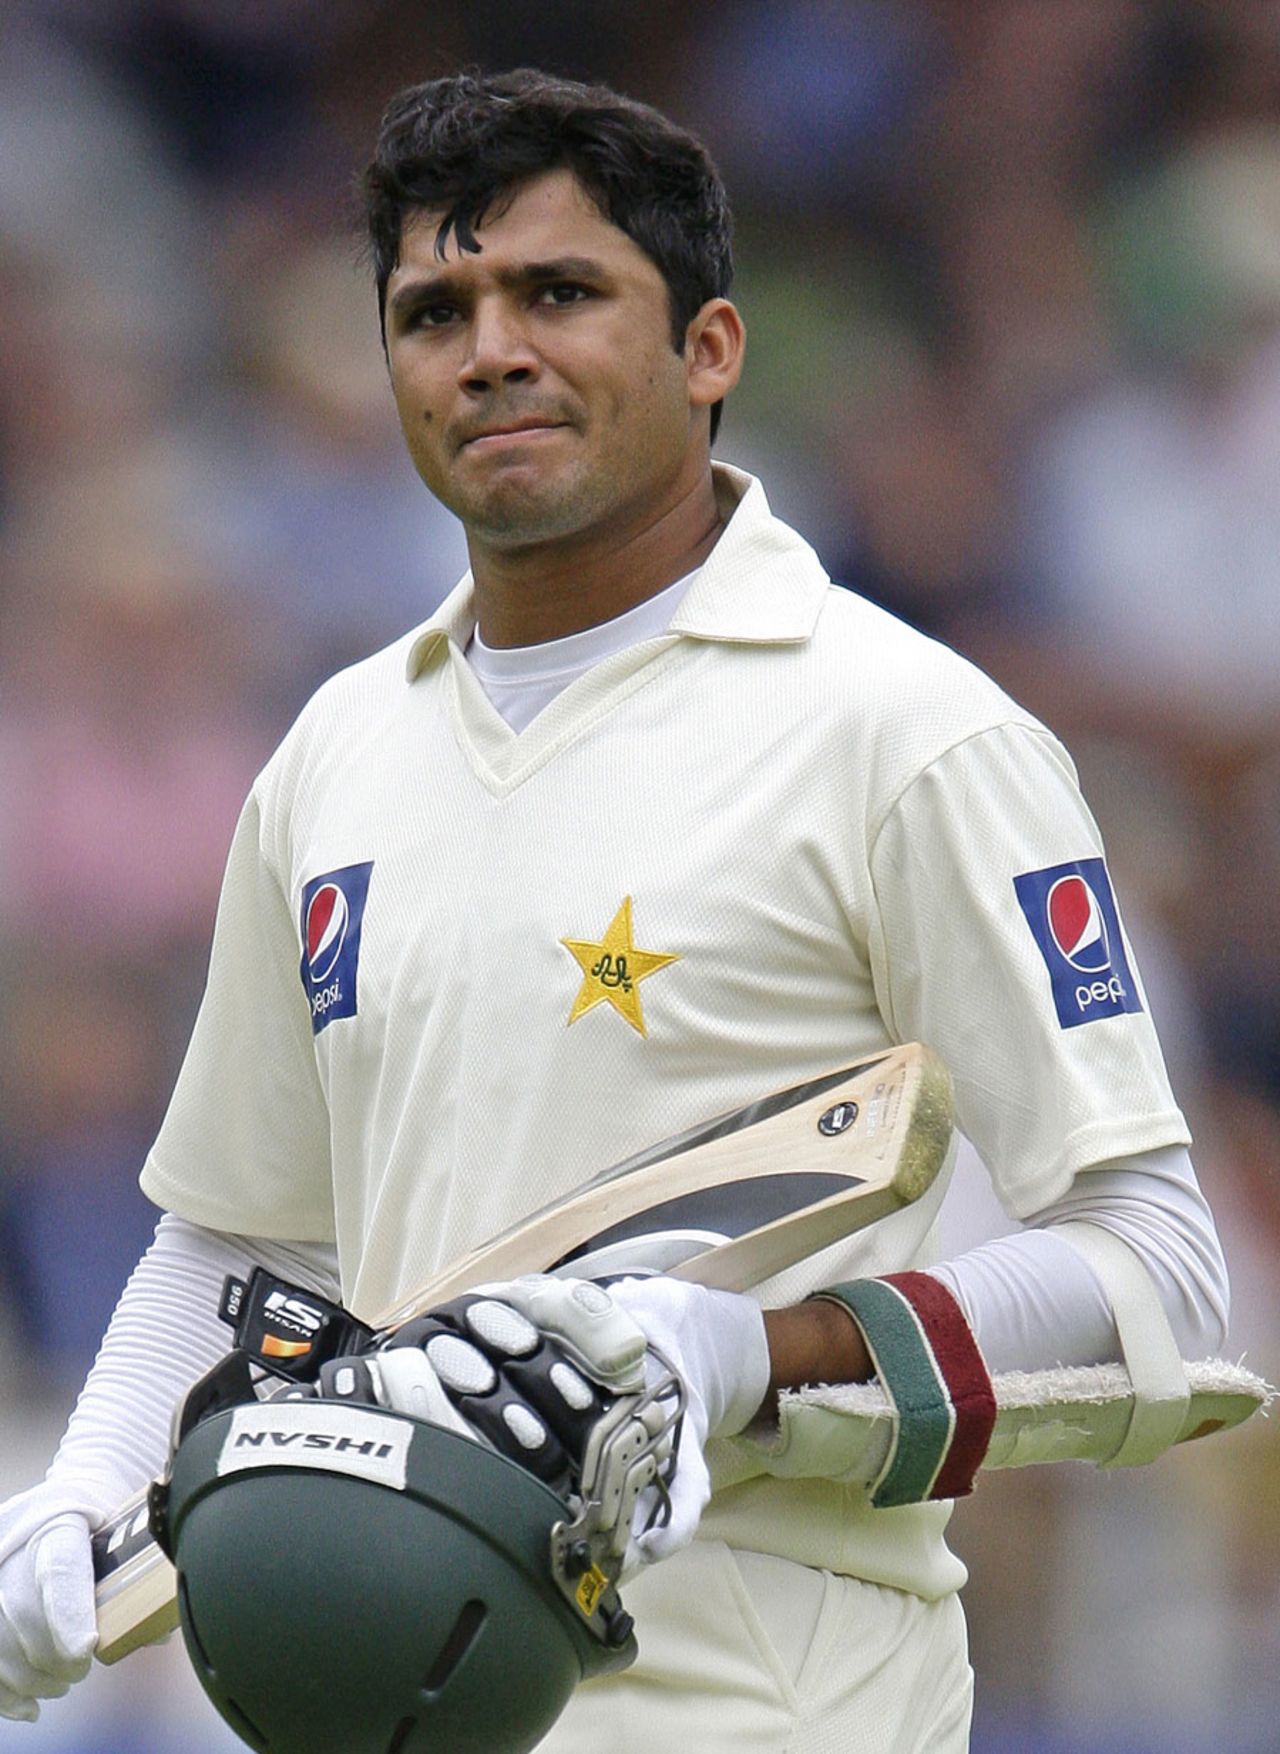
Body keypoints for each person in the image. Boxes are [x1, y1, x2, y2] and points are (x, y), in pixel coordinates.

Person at [0, 69, 1230, 1753]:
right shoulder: (335, 752)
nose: (491, 351)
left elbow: (1152, 1260)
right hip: (398, 1707)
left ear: (709, 349)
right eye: (434, 312)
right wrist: (83, 1491)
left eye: (561, 293)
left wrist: (752, 1353)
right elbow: (246, 1236)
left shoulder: (907, 734)